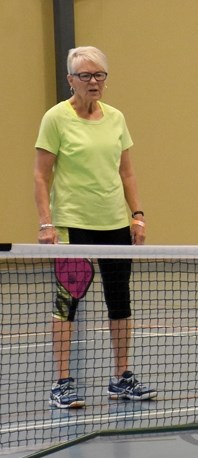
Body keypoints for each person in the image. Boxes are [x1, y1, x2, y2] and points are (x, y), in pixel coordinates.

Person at [34, 46, 157, 409]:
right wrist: (46, 223)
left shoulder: (116, 118)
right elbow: (41, 176)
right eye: (85, 76)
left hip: (114, 225)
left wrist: (137, 214)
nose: (94, 82)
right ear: (70, 80)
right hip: (73, 227)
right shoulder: (55, 118)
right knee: (66, 305)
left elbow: (127, 171)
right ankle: (62, 382)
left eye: (99, 75)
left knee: (120, 302)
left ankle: (121, 378)